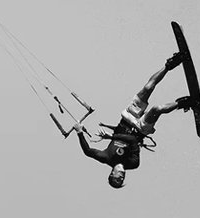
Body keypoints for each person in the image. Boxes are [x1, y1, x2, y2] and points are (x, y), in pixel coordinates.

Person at [74, 52, 192, 188]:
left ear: (112, 174)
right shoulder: (133, 164)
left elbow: (88, 151)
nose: (121, 178)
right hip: (140, 129)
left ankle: (171, 64)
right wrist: (111, 136)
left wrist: (79, 132)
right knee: (157, 109)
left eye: (118, 179)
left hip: (127, 118)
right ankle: (184, 103)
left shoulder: (107, 157)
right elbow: (133, 141)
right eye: (122, 181)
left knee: (148, 88)